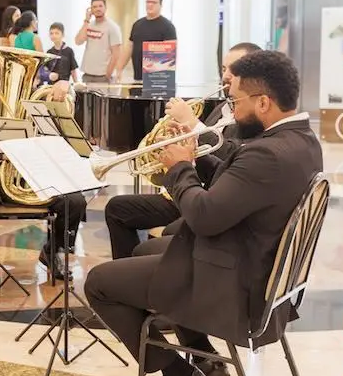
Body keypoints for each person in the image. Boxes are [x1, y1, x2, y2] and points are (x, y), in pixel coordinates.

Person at [85, 50, 322, 376]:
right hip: (257, 267)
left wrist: (179, 168)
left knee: (99, 283)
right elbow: (238, 187)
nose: (232, 107)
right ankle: (207, 359)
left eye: (236, 100)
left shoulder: (267, 154)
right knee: (141, 255)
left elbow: (204, 218)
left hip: (234, 285)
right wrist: (196, 157)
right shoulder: (302, 141)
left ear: (263, 102)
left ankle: (179, 375)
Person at [104, 42, 262, 259]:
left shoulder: (252, 117)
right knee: (116, 209)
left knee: (158, 237)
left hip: (207, 199)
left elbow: (229, 156)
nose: (226, 75)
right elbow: (205, 150)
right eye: (224, 68)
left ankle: (146, 274)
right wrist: (181, 140)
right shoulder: (221, 108)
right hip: (188, 189)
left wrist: (191, 121)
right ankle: (124, 271)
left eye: (232, 70)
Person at [0, 51, 87, 296]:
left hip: (29, 176)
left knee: (75, 199)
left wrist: (64, 87)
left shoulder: (32, 104)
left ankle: (54, 250)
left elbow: (54, 140)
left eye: (1, 72)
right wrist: (0, 155)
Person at [115, 0, 177, 82]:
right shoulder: (137, 24)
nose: (150, 5)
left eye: (154, 2)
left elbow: (170, 57)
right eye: (148, 2)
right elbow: (129, 48)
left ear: (160, 5)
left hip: (157, 81)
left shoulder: (167, 27)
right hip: (137, 78)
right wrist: (119, 68)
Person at [75, 0, 122, 84]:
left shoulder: (112, 27)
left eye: (100, 6)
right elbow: (78, 41)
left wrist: (108, 74)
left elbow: (116, 53)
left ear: (105, 8)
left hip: (103, 76)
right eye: (94, 7)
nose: (98, 9)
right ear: (91, 10)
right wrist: (86, 20)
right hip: (87, 74)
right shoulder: (89, 25)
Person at [37, 23, 78, 96]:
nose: (54, 35)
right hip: (51, 86)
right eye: (51, 33)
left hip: (64, 87)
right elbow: (44, 69)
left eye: (57, 33)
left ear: (62, 35)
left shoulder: (69, 51)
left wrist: (76, 84)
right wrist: (49, 75)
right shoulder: (49, 52)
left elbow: (73, 70)